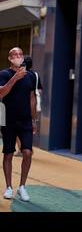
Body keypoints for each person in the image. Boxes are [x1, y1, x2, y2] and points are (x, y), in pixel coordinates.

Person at [0, 47, 37, 202]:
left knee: (27, 152)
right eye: (15, 54)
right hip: (8, 120)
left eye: (21, 54)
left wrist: (34, 120)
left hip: (26, 120)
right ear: (10, 58)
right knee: (8, 153)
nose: (18, 56)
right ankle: (9, 187)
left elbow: (32, 98)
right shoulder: (3, 74)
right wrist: (15, 78)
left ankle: (22, 186)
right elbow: (1, 93)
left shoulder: (31, 76)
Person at [14, 56, 43, 157]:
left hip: (24, 103)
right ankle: (27, 147)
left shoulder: (20, 75)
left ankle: (21, 148)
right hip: (36, 103)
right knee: (30, 126)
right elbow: (39, 90)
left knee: (17, 127)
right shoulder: (35, 75)